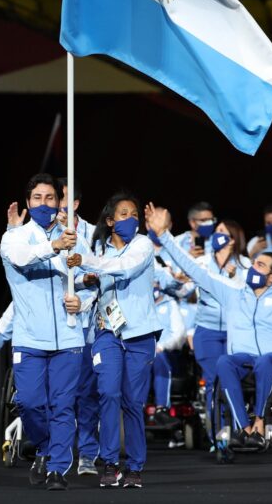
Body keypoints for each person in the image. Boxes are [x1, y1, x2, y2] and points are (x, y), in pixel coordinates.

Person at [149, 203, 272, 448]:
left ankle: (260, 422)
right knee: (224, 361)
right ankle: (244, 428)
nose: (253, 268)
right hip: (244, 360)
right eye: (254, 263)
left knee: (266, 361)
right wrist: (163, 237)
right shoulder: (233, 295)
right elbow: (193, 269)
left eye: (261, 266)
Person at [0, 173, 83, 490]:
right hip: (29, 339)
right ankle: (47, 447)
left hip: (69, 337)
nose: (44, 203)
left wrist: (82, 303)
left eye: (50, 198)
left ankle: (57, 469)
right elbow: (21, 259)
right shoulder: (14, 237)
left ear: (59, 202)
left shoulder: (74, 238)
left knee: (63, 406)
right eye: (38, 198)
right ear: (27, 202)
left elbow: (90, 284)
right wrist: (54, 246)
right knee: (31, 404)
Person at [76, 193, 160, 489]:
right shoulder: (98, 247)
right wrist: (83, 279)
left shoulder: (143, 245)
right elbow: (80, 278)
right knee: (108, 393)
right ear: (110, 220)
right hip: (107, 332)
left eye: (134, 214)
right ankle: (110, 462)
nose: (131, 219)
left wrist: (88, 262)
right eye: (123, 214)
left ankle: (135, 466)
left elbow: (126, 267)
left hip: (139, 334)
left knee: (132, 402)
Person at [174, 219, 248, 437]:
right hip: (206, 332)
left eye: (223, 232)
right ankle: (217, 434)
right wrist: (178, 281)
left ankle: (238, 429)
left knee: (231, 380)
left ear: (233, 240)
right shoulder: (202, 263)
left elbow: (250, 297)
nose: (217, 235)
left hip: (235, 333)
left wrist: (236, 277)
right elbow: (184, 295)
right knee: (213, 379)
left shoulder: (245, 264)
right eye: (216, 231)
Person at [57, 177, 100, 477]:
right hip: (55, 328)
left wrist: (83, 294)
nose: (53, 207)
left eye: (59, 200)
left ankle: (87, 454)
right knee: (59, 395)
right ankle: (54, 453)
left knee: (87, 395)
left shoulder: (94, 234)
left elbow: (100, 274)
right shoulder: (39, 234)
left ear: (74, 203)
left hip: (86, 327)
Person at [150, 282, 186, 427]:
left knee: (158, 358)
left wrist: (162, 346)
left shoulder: (170, 304)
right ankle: (136, 407)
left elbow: (179, 334)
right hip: (145, 353)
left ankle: (161, 409)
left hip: (166, 352)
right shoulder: (140, 304)